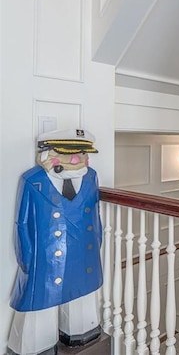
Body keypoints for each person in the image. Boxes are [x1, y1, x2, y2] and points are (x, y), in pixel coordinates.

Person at [8, 129, 102, 355]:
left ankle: (80, 333)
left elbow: (95, 216)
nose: (76, 160)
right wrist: (26, 260)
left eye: (80, 154)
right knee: (40, 306)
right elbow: (22, 224)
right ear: (49, 153)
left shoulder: (91, 177)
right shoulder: (33, 181)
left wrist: (97, 243)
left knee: (82, 301)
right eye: (70, 154)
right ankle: (37, 345)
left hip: (83, 251)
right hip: (46, 257)